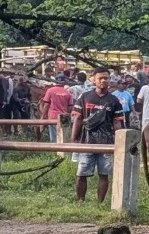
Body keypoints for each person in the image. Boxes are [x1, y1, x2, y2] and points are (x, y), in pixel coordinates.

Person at [71, 67, 124, 202]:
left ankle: (99, 202)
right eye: (100, 78)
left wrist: (119, 142)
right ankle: (80, 201)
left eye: (106, 78)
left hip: (106, 143)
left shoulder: (114, 101)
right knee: (81, 173)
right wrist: (73, 140)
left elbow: (117, 123)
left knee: (104, 174)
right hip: (86, 142)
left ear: (110, 80)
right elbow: (77, 118)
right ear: (93, 79)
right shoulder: (85, 97)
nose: (103, 80)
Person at [41, 77, 74, 142]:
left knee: (54, 137)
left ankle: (54, 150)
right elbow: (70, 107)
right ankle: (63, 150)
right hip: (64, 118)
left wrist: (43, 116)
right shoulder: (68, 93)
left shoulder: (50, 90)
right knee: (63, 137)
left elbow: (46, 104)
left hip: (53, 117)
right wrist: (68, 115)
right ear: (64, 83)